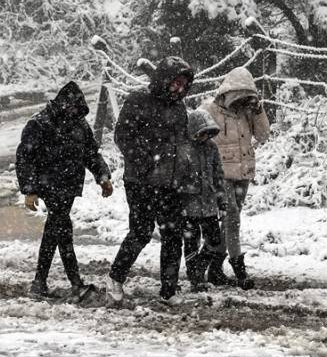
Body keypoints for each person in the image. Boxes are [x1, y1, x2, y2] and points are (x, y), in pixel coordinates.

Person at [106, 56, 194, 305]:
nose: (179, 89)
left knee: (172, 234)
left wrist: (185, 170)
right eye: (176, 83)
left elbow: (182, 142)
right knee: (141, 232)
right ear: (164, 79)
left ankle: (169, 290)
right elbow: (122, 136)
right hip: (140, 181)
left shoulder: (179, 108)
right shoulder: (138, 101)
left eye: (183, 86)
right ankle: (115, 278)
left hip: (170, 181)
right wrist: (145, 163)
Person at [16, 81, 112, 301]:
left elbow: (91, 153)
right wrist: (30, 190)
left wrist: (102, 176)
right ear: (62, 105)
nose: (74, 113)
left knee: (56, 230)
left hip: (68, 187)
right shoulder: (40, 124)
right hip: (48, 185)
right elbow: (25, 158)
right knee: (62, 228)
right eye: (71, 108)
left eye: (77, 110)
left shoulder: (80, 125)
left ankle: (40, 282)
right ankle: (74, 282)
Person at [201, 67, 271, 289]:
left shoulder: (248, 113)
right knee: (232, 220)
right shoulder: (209, 110)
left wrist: (258, 111)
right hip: (220, 175)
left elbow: (263, 135)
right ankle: (239, 270)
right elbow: (197, 137)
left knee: (229, 223)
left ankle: (211, 266)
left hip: (243, 174)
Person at [178, 108, 226, 291]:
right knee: (191, 241)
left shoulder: (212, 148)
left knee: (214, 239)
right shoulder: (184, 149)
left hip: (209, 203)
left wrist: (222, 201)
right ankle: (195, 277)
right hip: (188, 205)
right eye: (201, 133)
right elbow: (178, 178)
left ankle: (199, 266)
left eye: (208, 133)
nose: (205, 137)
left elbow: (218, 175)